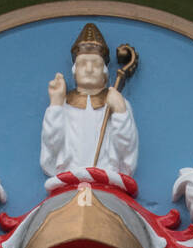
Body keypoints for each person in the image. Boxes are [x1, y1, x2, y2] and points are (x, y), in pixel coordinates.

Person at [40, 23, 139, 177]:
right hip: (70, 178)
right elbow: (52, 145)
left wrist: (120, 112)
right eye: (83, 64)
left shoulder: (117, 103)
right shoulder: (65, 104)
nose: (89, 69)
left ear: (104, 73)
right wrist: (56, 105)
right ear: (75, 71)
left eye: (96, 64)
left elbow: (127, 149)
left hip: (106, 177)